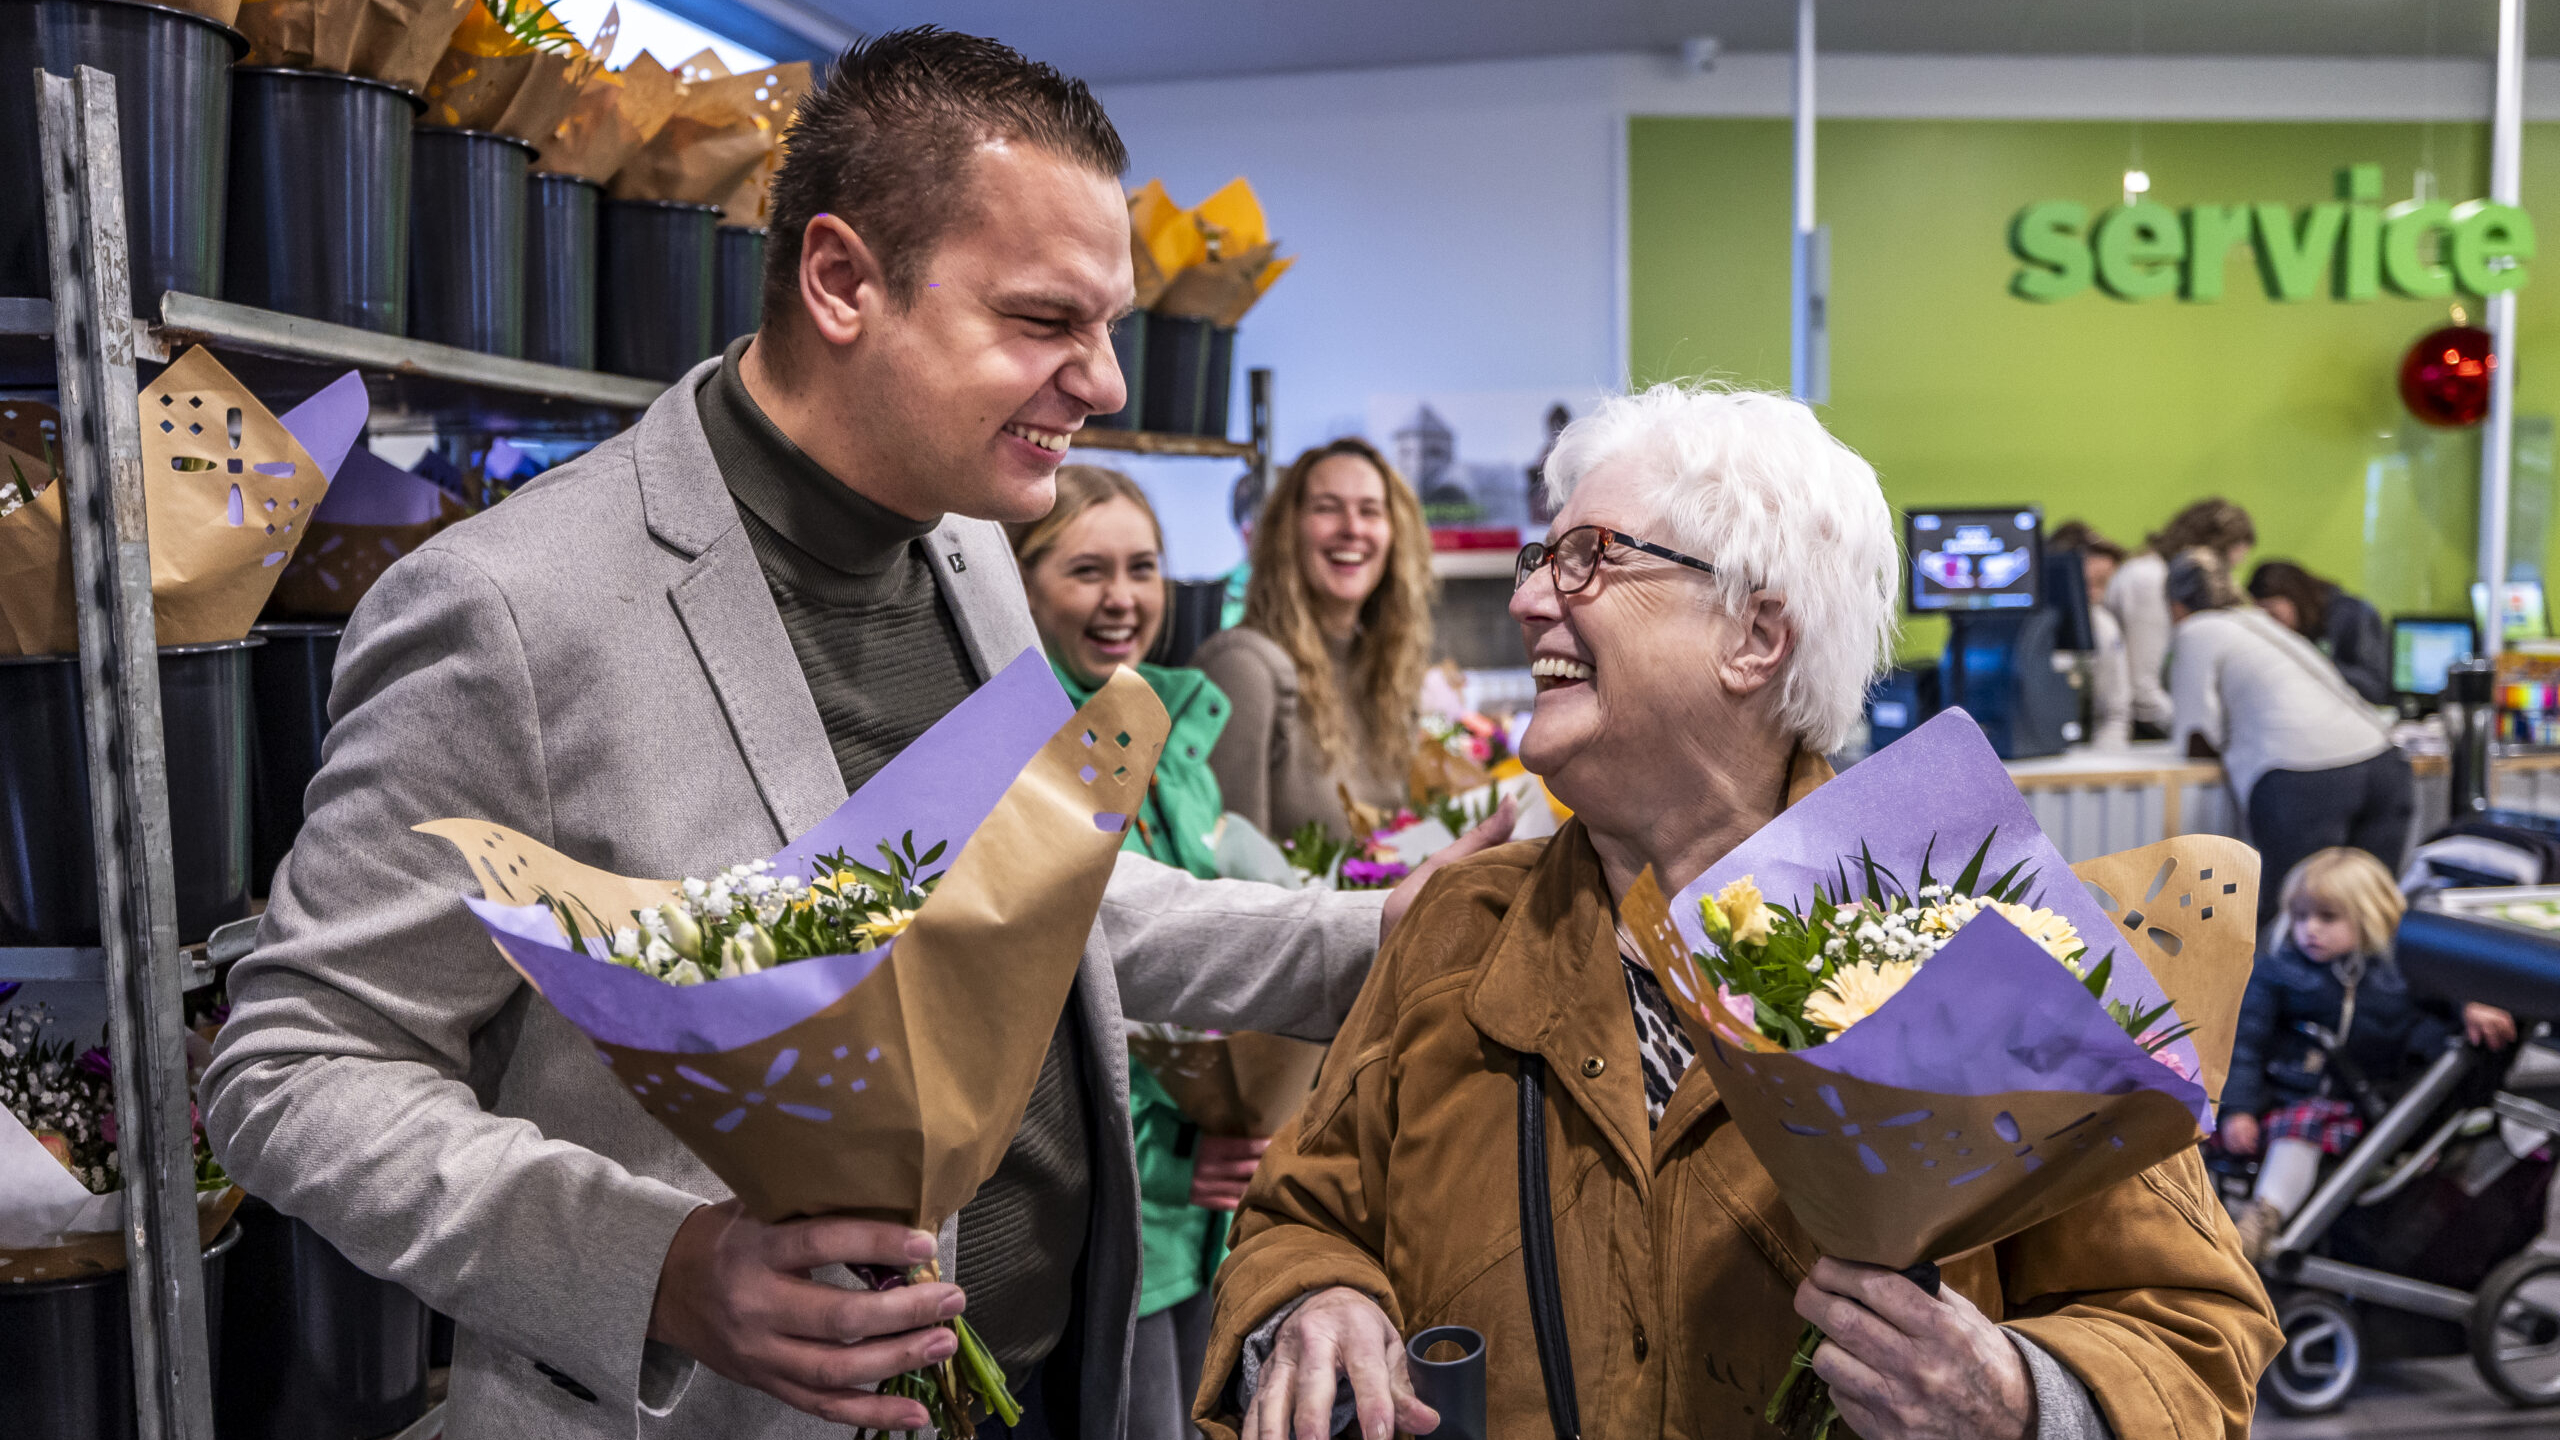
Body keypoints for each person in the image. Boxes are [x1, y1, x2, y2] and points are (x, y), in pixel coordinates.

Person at [200, 32, 1502, 1440]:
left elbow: (1030, 909)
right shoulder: (515, 609)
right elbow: (294, 1068)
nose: (1109, 384)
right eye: (1043, 321)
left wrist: (1384, 940)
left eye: (1109, 323)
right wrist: (663, 1270)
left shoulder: (968, 547)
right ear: (841, 283)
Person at [1197, 386, 2278, 1440]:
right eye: (1542, 557)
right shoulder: (1454, 931)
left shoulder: (1981, 937)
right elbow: (1302, 1216)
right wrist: (1311, 1306)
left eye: (1589, 558)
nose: (1530, 598)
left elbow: (2194, 1336)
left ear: (1755, 635)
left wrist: (2021, 1401)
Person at [1006, 463, 1266, 1440]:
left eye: (1142, 568)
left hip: (1207, 1213)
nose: (1122, 598)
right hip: (1114, 1222)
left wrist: (1243, 1117)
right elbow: (1072, 987)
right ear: (1019, 585)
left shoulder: (1172, 731)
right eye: (1086, 571)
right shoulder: (1029, 756)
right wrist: (1198, 1128)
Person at [2220, 848, 2516, 1259]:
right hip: (2283, 1093)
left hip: (2363, 1103)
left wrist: (2470, 1004)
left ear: (2370, 915)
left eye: (2327, 918)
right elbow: (2244, 1043)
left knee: (2303, 1128)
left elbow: (2446, 985)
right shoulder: (2279, 972)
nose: (2309, 930)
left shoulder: (2402, 971)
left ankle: (2265, 1216)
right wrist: (2237, 1108)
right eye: (2300, 916)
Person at [1194, 437, 1436, 842]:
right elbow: (1229, 881)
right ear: (1287, 531)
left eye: (1370, 511)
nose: (1353, 529)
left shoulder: (1387, 673)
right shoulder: (1244, 669)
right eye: (1327, 508)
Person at [2167, 548, 2413, 925]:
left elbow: (2197, 730)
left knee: (2295, 919)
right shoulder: (2259, 623)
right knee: (2369, 917)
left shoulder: (2196, 630)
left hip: (2305, 774)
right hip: (2383, 763)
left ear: (2175, 606)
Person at [2108, 498, 2255, 740]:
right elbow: (2143, 690)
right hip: (2129, 736)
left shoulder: (2155, 574)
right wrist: (2205, 735)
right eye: (2227, 565)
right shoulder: (2150, 580)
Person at [2248, 560, 2393, 705]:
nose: (2269, 626)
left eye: (2273, 615)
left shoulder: (2353, 615)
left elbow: (2377, 689)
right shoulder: (2294, 629)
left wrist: (2315, 662)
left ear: (2296, 599)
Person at [2048, 520, 2132, 748]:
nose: (2095, 594)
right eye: (2087, 583)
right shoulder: (2015, 628)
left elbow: (2114, 715)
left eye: (2103, 583)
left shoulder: (2103, 626)